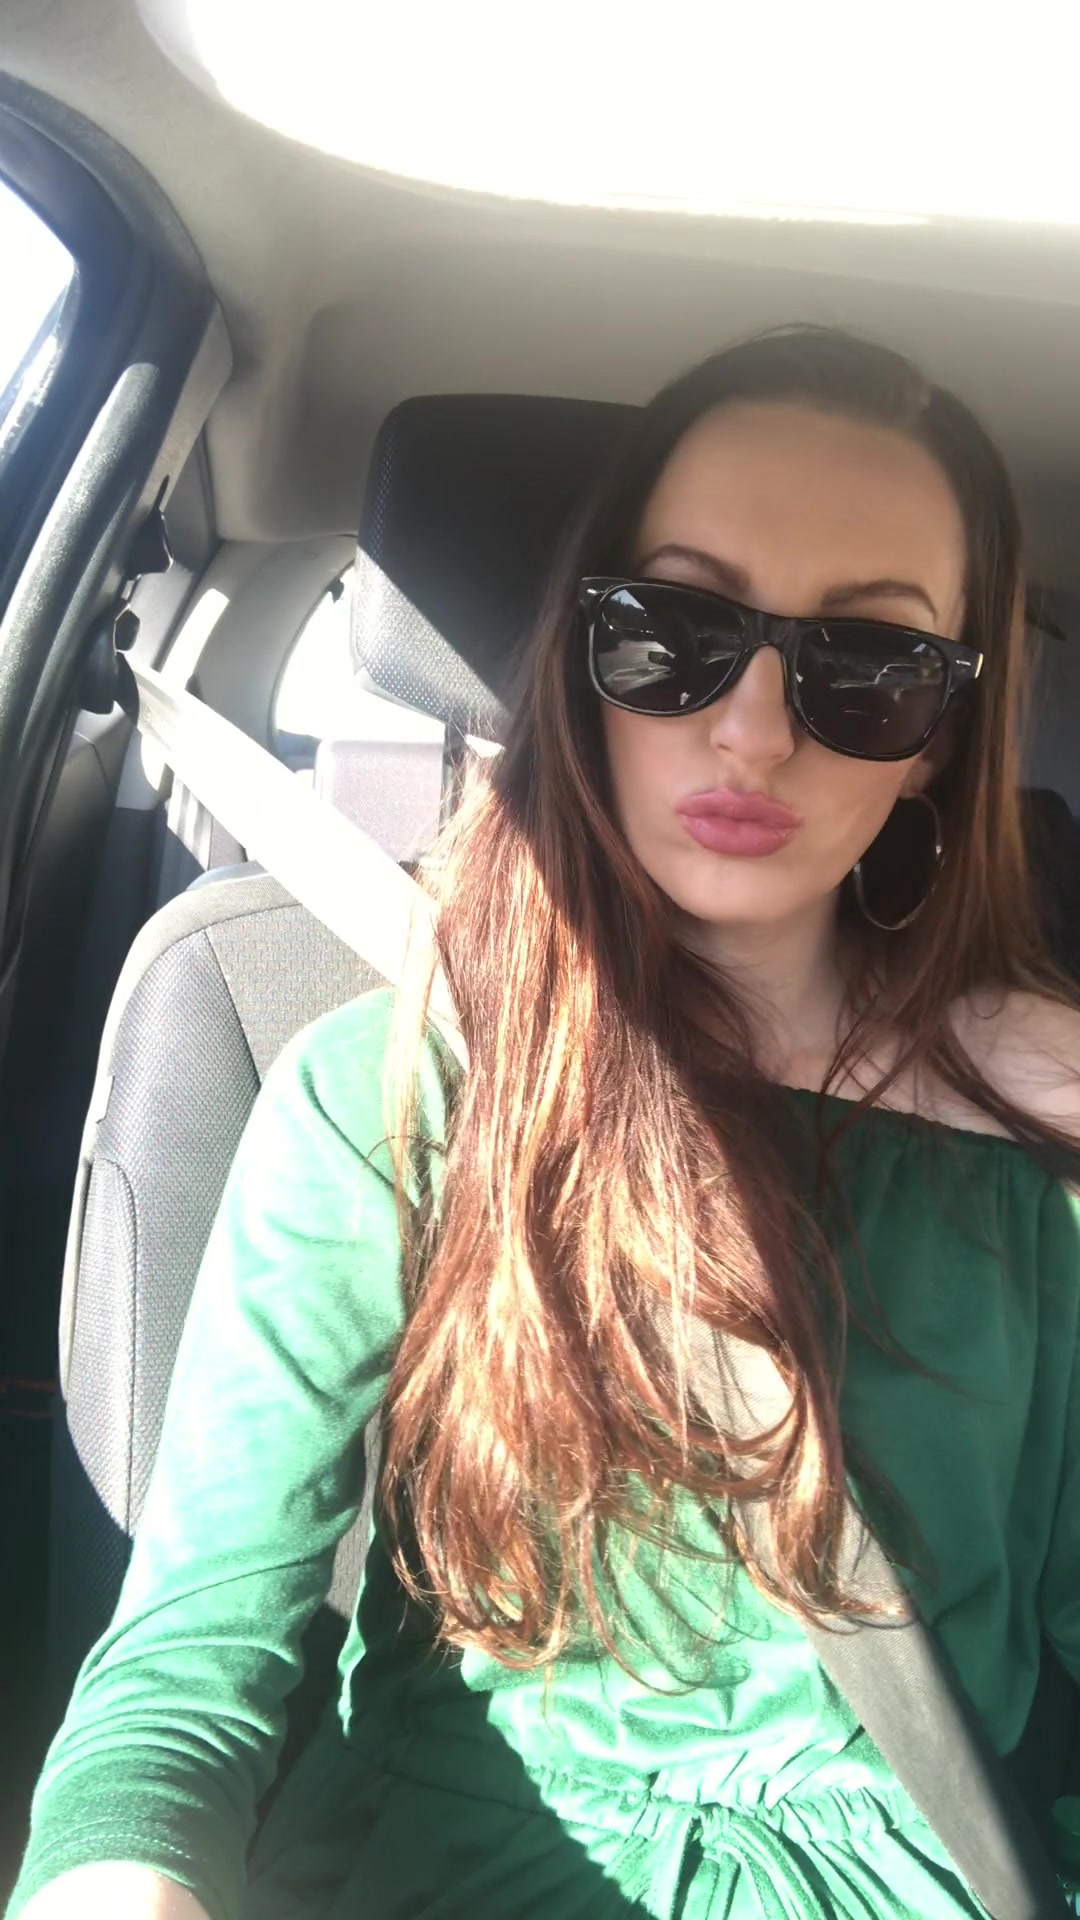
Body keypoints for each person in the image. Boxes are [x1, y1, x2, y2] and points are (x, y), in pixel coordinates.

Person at [8, 326, 1080, 1920]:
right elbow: (189, 1664)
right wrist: (122, 1879)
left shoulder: (1044, 1151)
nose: (754, 730)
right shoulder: (386, 1094)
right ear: (586, 659)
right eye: (675, 632)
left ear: (939, 743)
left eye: (869, 666)